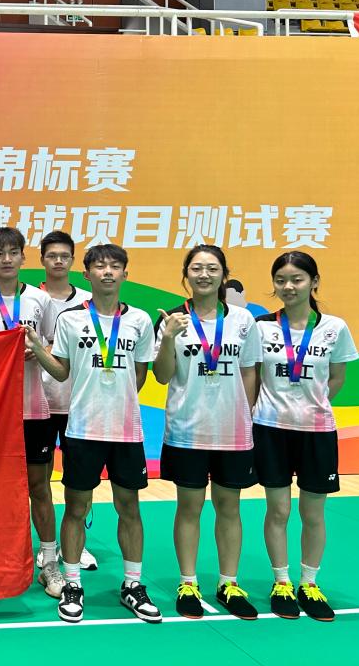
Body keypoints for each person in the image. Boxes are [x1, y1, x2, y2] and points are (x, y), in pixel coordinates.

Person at [26, 244, 161, 624]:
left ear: (125, 274)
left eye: (115, 266)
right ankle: (72, 584)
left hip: (126, 431)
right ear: (87, 275)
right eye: (100, 266)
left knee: (129, 507)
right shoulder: (70, 319)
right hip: (83, 428)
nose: (107, 272)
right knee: (75, 507)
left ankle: (132, 585)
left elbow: (139, 376)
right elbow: (61, 371)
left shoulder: (139, 320)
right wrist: (36, 347)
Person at [152, 245, 262, 620]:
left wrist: (245, 417)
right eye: (196, 268)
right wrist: (169, 337)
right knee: (189, 508)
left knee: (229, 507)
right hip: (187, 431)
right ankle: (188, 583)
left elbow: (249, 371)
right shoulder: (172, 320)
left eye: (212, 268)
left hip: (232, 432)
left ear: (223, 275)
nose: (204, 275)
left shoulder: (243, 320)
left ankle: (229, 583)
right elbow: (162, 375)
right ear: (186, 274)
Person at [253, 252, 358, 621]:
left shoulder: (334, 327)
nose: (288, 286)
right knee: (278, 509)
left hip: (317, 432)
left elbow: (338, 378)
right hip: (270, 429)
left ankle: (309, 583)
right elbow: (253, 376)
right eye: (281, 280)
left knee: (313, 512)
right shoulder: (261, 327)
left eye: (297, 279)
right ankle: (281, 582)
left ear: (314, 282)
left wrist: (313, 406)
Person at [0, 228, 62, 596]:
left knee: (39, 486)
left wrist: (36, 350)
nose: (6, 259)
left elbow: (53, 345)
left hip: (34, 410)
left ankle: (49, 562)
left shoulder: (40, 300)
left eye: (13, 252)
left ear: (23, 257)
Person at [37, 231, 98, 572]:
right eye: (52, 256)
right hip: (42, 402)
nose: (58, 261)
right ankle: (46, 546)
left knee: (81, 479)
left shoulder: (90, 300)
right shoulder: (31, 299)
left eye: (64, 256)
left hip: (81, 404)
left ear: (73, 261)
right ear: (42, 260)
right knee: (40, 480)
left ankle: (78, 546)